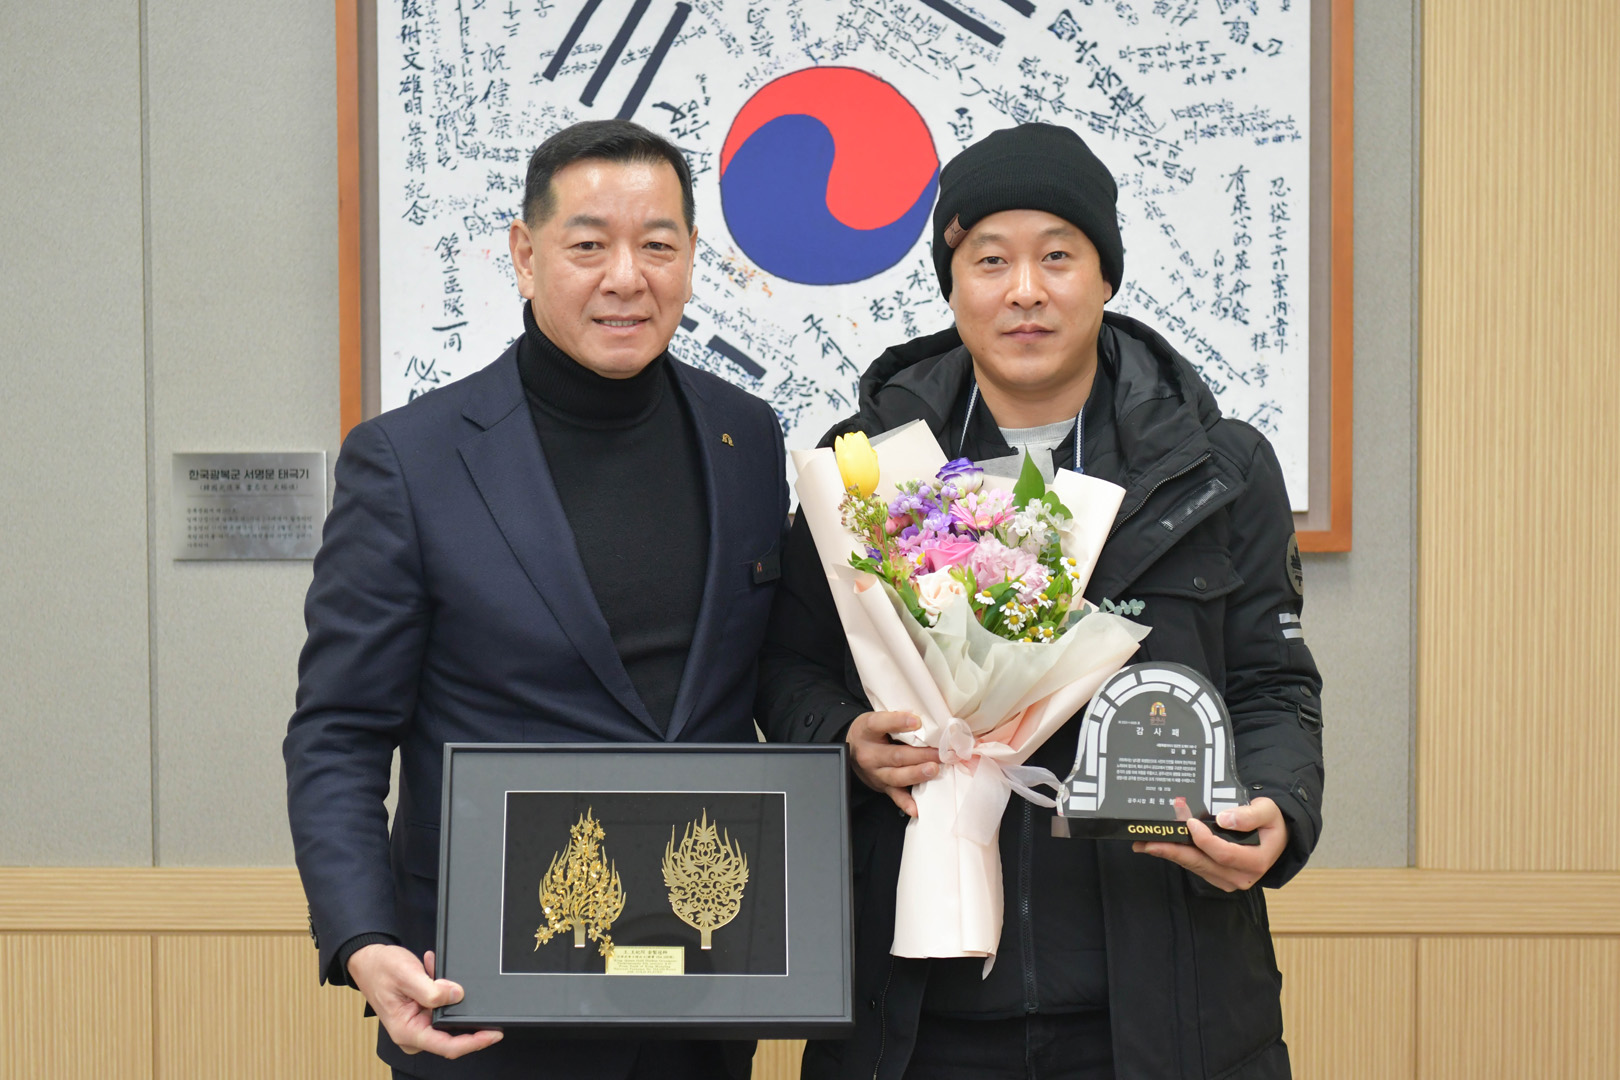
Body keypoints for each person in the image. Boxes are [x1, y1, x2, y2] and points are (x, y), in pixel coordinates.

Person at [757, 123, 1324, 1079]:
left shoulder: (1217, 467)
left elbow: (1274, 683)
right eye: (991, 260)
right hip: (915, 1008)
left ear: (1105, 278)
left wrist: (1280, 803)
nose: (1025, 289)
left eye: (1058, 256)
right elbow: (788, 666)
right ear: (952, 286)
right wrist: (845, 736)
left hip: (1158, 999)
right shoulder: (870, 466)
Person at [284, 119, 786, 1080]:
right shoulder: (410, 461)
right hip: (485, 1005)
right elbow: (338, 731)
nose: (626, 278)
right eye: (588, 245)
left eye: (657, 246)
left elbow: (765, 671)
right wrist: (363, 937)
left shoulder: (746, 437)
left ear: (690, 258)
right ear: (524, 254)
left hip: (704, 999)